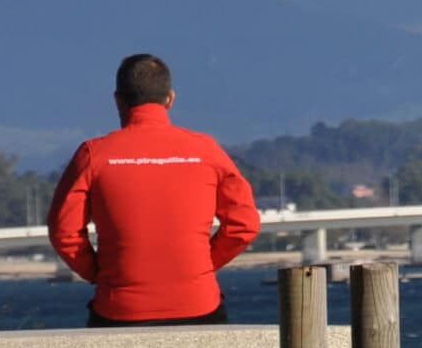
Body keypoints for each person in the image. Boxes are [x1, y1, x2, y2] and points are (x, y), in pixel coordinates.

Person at [47, 52, 262, 325]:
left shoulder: (93, 155)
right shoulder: (206, 150)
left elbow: (63, 231)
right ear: (170, 98)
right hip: (199, 305)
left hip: (120, 309)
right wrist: (202, 266)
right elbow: (245, 224)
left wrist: (100, 273)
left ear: (118, 100)